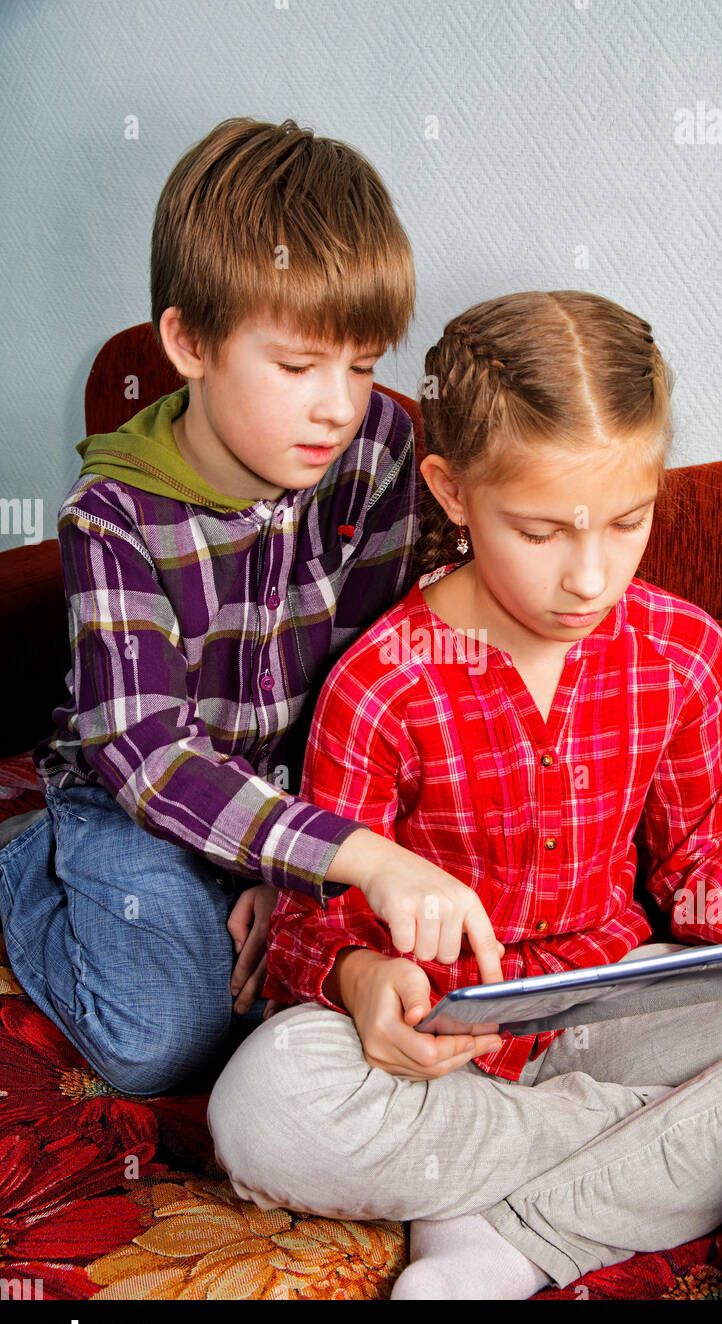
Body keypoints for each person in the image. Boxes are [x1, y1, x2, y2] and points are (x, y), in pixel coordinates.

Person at [207, 289, 722, 1301]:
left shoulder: (682, 652)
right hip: (443, 1041)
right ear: (453, 491)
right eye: (541, 530)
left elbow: (700, 865)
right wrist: (355, 981)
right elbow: (310, 916)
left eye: (625, 521)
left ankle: (497, 1229)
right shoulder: (383, 679)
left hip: (619, 996)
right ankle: (658, 1135)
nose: (589, 575)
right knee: (264, 1104)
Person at [0, 116, 504, 1099]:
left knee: (327, 992)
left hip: (301, 792)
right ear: (189, 342)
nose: (336, 406)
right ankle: (27, 865)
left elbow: (367, 675)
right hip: (131, 800)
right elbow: (147, 755)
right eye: (297, 366)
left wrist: (300, 875)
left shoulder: (378, 451)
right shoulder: (111, 516)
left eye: (359, 365)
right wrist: (357, 860)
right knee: (166, 1042)